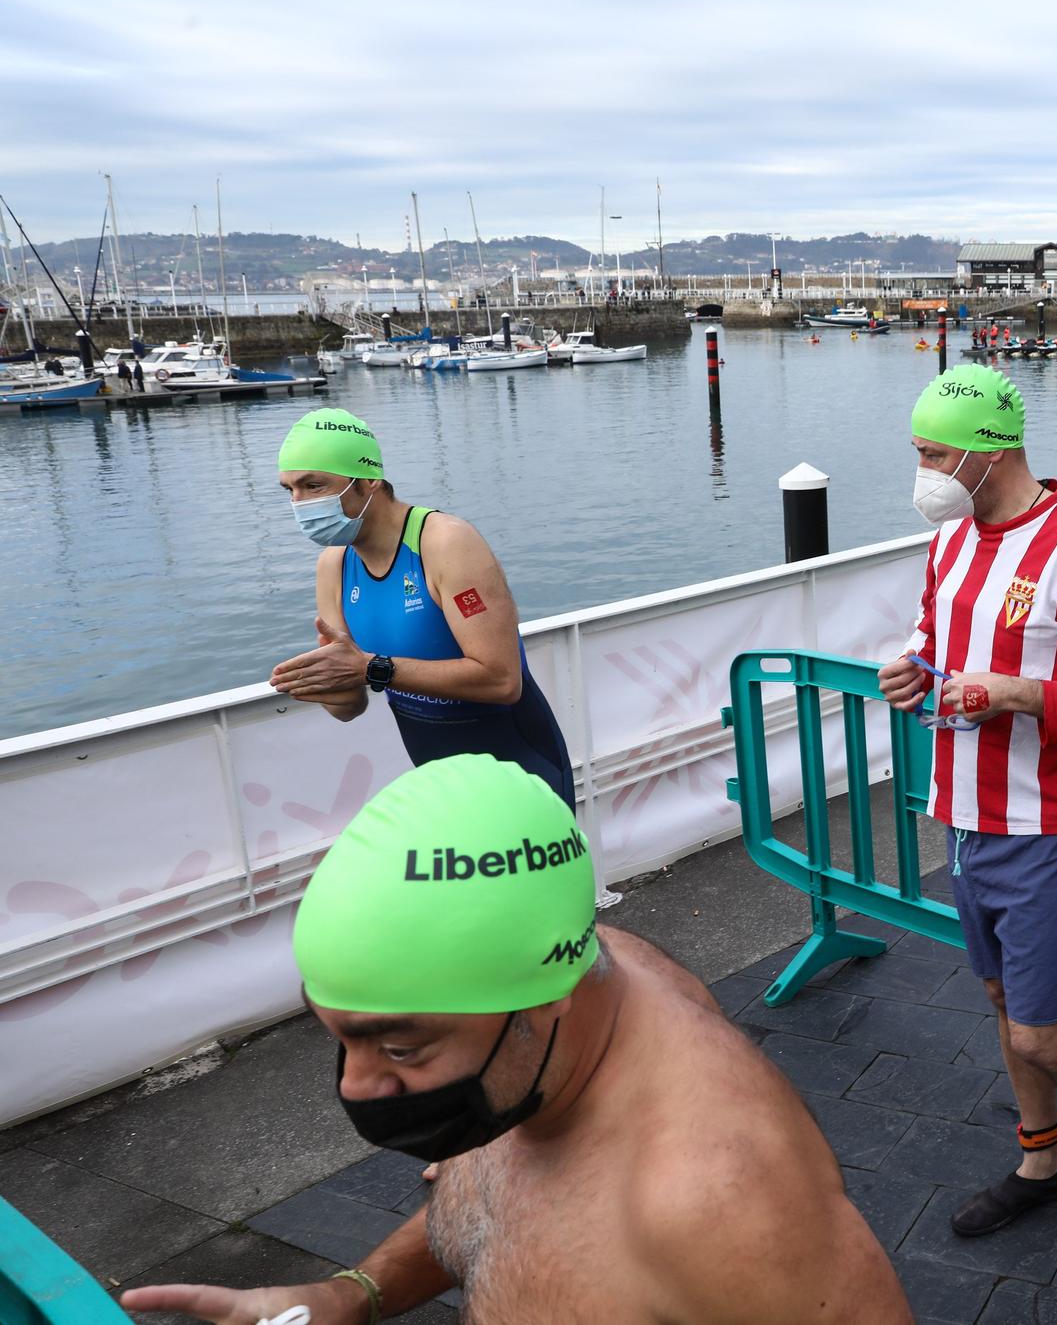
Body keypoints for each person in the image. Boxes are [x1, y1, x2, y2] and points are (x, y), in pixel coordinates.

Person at [121, 754, 912, 1324]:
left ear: (544, 998)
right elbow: (508, 1211)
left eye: (400, 1048)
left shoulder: (722, 1209)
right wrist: (349, 1295)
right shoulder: (565, 1016)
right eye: (339, 1039)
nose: (354, 1087)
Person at [875, 365, 1057, 1286]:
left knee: (1043, 1028)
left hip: (1049, 825)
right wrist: (913, 668)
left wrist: (1019, 693)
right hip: (965, 818)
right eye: (919, 453)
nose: (922, 472)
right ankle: (1042, 1157)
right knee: (1005, 1005)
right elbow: (936, 639)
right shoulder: (950, 541)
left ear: (989, 451)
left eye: (934, 454)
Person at [269, 409, 575, 807]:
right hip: (439, 786)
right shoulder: (334, 565)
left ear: (368, 480)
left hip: (519, 773)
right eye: (290, 490)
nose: (300, 503)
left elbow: (502, 681)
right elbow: (350, 707)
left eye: (314, 486)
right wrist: (322, 683)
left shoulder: (445, 544)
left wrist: (372, 668)